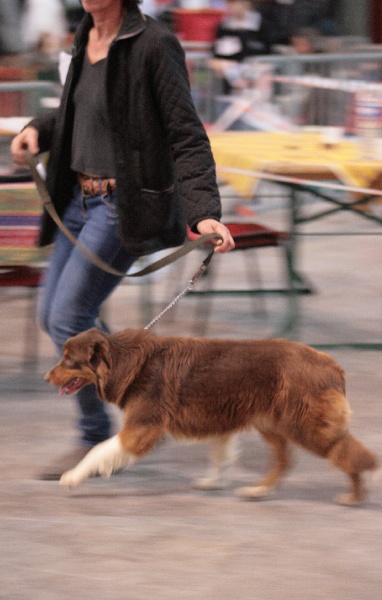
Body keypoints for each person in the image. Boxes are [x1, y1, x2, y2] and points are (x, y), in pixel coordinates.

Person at [11, 0, 235, 480]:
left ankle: (101, 435)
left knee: (70, 316)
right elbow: (79, 112)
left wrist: (205, 213)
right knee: (52, 317)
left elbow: (186, 135)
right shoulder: (85, 34)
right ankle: (152, 402)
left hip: (119, 206)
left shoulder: (154, 44)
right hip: (76, 198)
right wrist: (38, 130)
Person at [211, 0, 270, 94]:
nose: (233, 6)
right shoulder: (224, 26)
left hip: (255, 75)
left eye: (236, 2)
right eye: (230, 3)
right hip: (228, 76)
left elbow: (267, 50)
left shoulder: (261, 25)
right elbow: (217, 52)